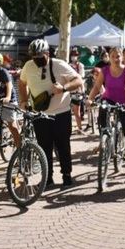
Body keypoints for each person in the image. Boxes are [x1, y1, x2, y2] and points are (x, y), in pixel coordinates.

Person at [19, 39, 84, 188]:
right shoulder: (28, 66)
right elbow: (22, 83)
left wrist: (64, 88)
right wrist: (23, 100)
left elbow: (78, 80)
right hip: (39, 114)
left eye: (39, 57)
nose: (36, 60)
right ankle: (48, 178)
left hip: (61, 113)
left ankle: (66, 175)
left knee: (63, 146)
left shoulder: (58, 64)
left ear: (47, 54)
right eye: (34, 57)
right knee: (44, 147)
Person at [87, 47, 125, 175]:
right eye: (113, 57)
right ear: (109, 58)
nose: (116, 59)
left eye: (118, 56)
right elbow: (97, 86)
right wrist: (89, 99)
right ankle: (104, 139)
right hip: (109, 98)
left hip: (124, 101)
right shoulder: (104, 71)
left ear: (122, 57)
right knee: (102, 114)